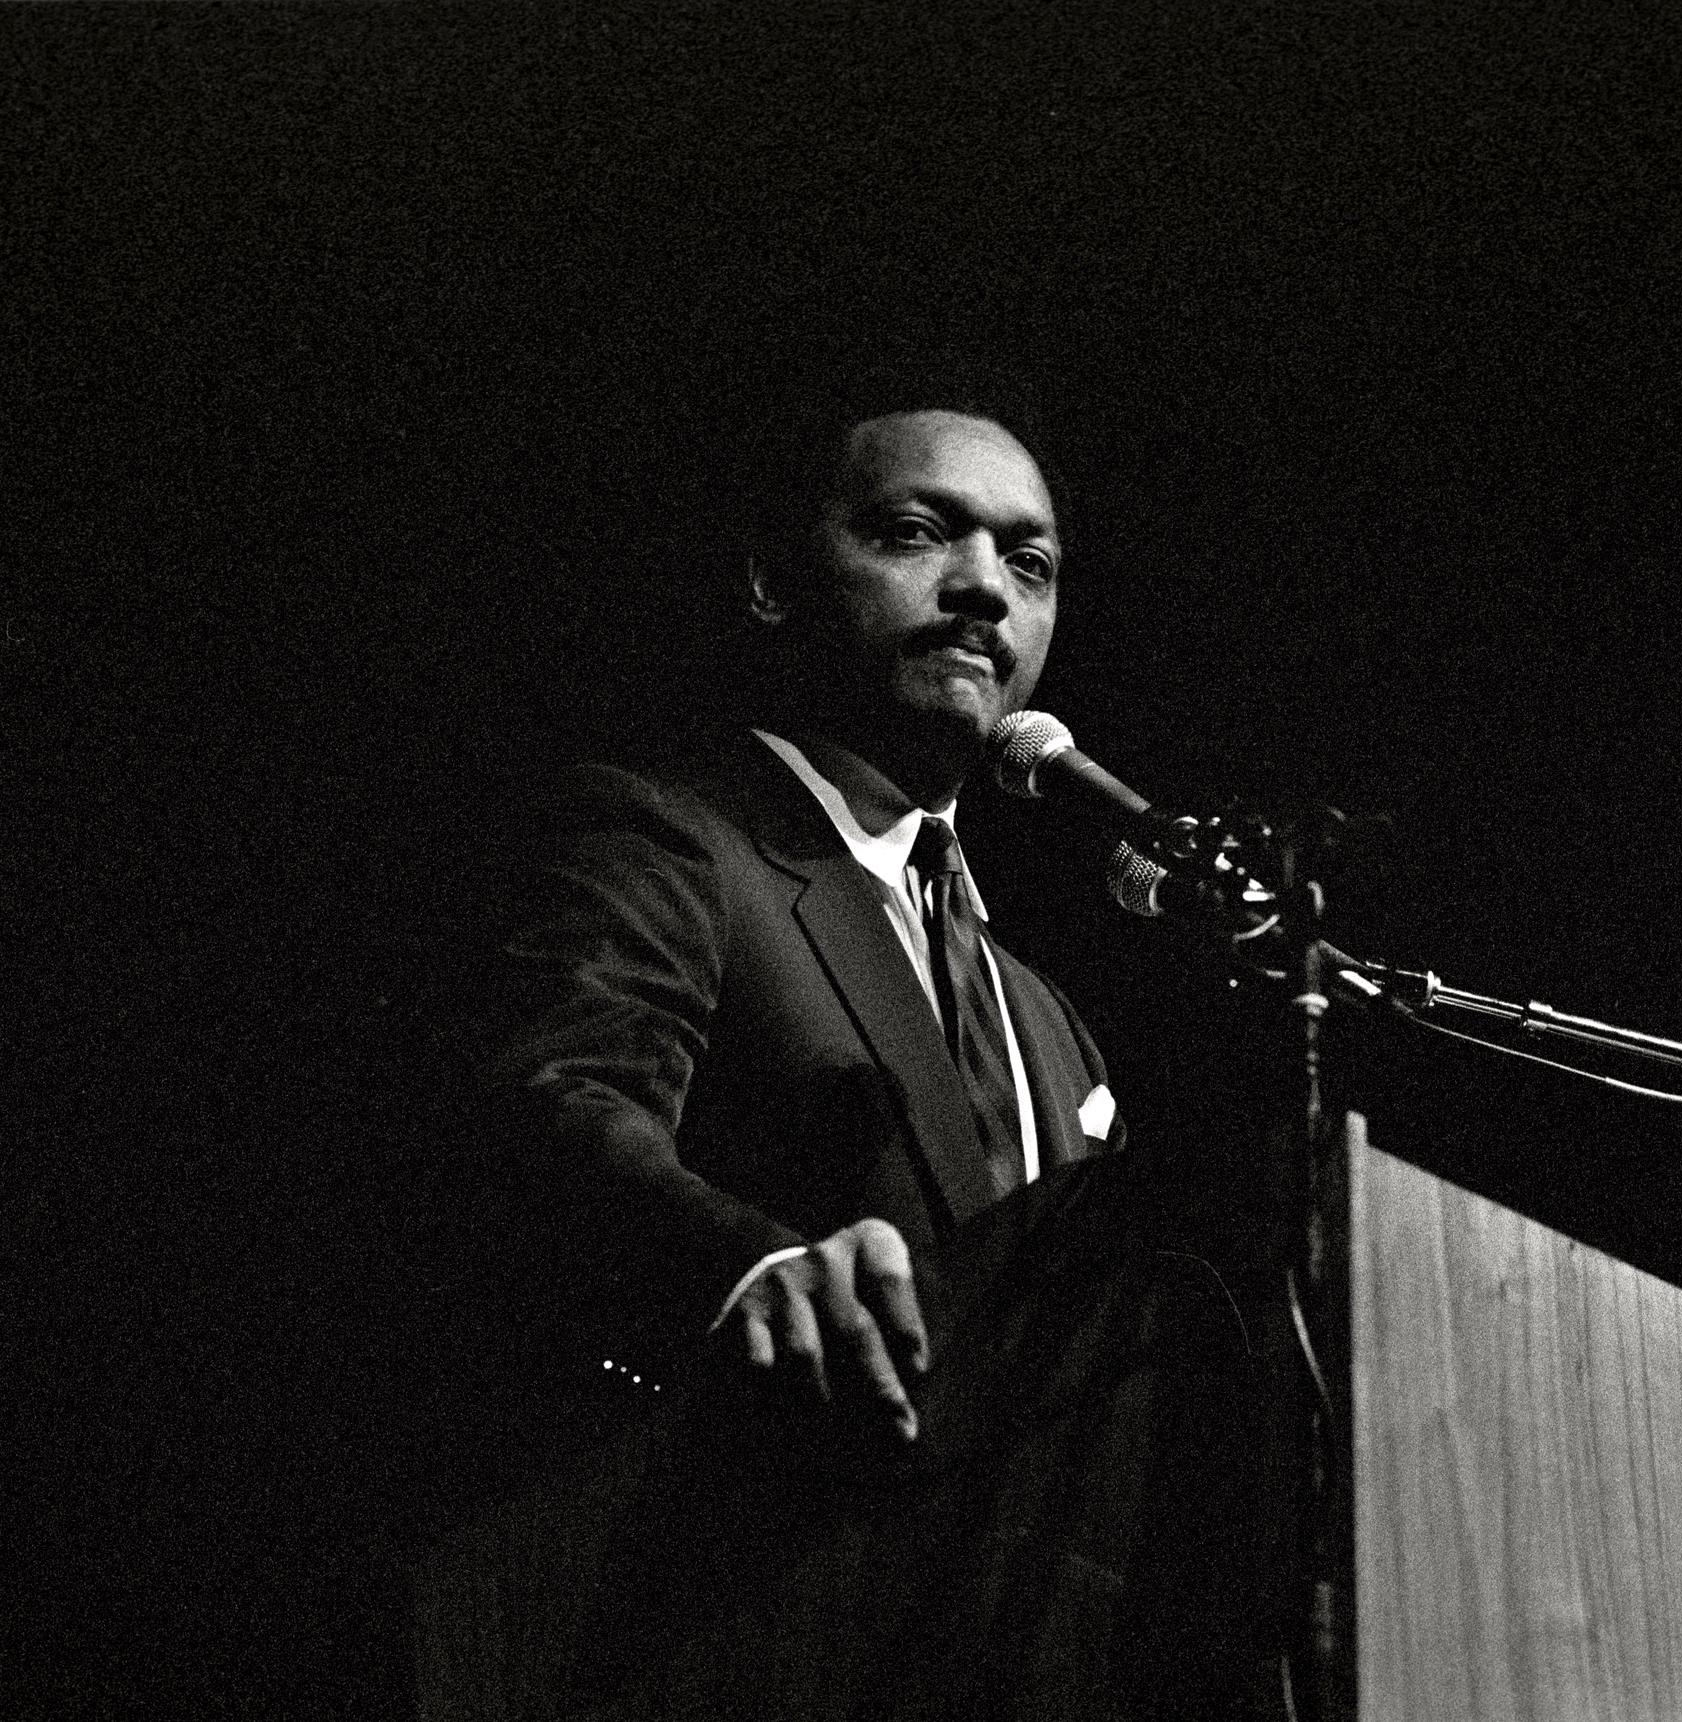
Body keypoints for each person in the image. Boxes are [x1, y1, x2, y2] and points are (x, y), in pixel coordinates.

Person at [471, 379, 1275, 1720]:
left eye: (1029, 562)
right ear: (776, 582)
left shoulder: (1047, 1019)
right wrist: (756, 1267)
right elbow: (559, 1100)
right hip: (750, 1629)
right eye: (918, 533)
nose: (982, 589)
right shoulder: (677, 840)